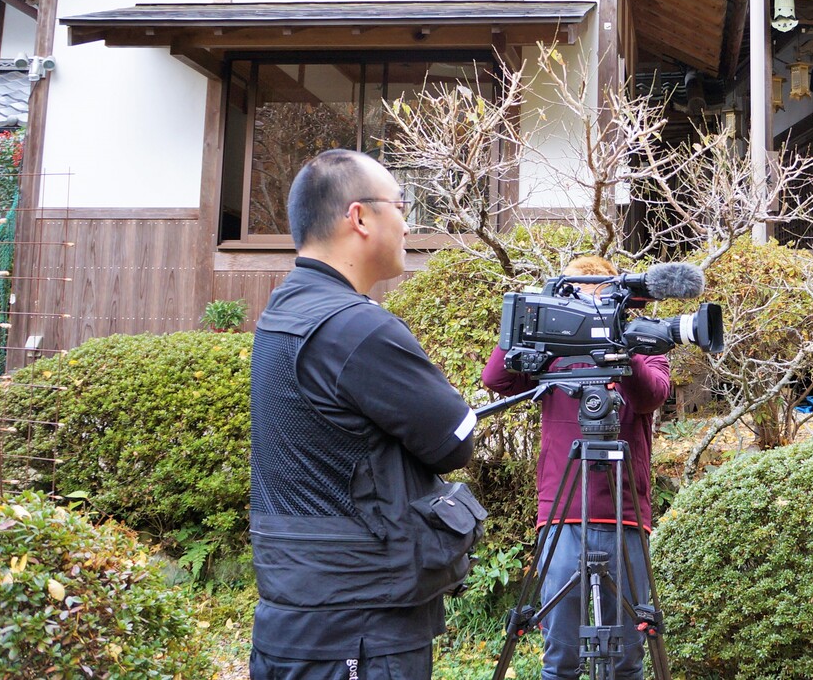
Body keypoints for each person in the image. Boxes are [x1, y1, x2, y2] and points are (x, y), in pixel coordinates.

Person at [249, 149, 484, 680]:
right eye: (402, 205)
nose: (408, 222)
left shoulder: (285, 309)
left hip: (298, 611)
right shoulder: (355, 328)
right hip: (359, 624)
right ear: (359, 217)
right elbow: (455, 441)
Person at [481, 254, 671, 680]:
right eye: (577, 298)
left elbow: (651, 395)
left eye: (599, 297)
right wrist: (532, 323)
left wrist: (617, 339)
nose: (589, 308)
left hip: (624, 512)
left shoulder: (643, 339)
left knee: (627, 656)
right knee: (560, 653)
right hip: (562, 509)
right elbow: (495, 379)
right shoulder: (552, 346)